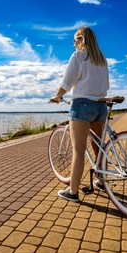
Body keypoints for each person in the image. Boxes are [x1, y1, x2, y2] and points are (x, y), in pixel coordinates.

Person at [49, 26, 110, 202]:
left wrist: (57, 96)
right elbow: (106, 85)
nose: (73, 43)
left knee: (78, 150)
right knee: (99, 147)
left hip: (82, 106)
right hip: (100, 106)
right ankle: (101, 181)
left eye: (76, 39)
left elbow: (68, 81)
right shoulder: (101, 59)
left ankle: (73, 191)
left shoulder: (79, 56)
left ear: (83, 39)